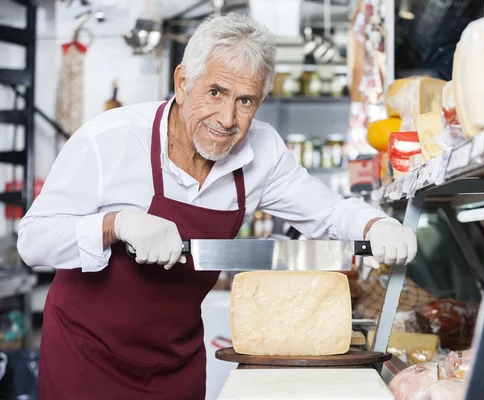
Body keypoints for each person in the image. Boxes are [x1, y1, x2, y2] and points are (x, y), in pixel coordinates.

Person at [17, 13, 417, 400]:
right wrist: (116, 224)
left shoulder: (263, 152)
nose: (227, 119)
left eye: (246, 101)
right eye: (215, 93)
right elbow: (33, 242)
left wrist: (375, 226)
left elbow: (329, 212)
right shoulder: (110, 140)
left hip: (176, 362)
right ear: (182, 82)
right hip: (86, 358)